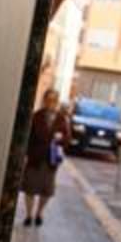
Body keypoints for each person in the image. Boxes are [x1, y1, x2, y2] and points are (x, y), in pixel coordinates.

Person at [20, 88, 72, 227]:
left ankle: (39, 213)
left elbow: (68, 139)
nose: (51, 102)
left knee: (47, 190)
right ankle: (29, 215)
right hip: (35, 157)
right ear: (44, 100)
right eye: (48, 99)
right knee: (30, 188)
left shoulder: (62, 118)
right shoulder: (36, 116)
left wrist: (61, 138)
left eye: (54, 100)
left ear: (57, 101)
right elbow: (28, 137)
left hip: (51, 159)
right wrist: (25, 154)